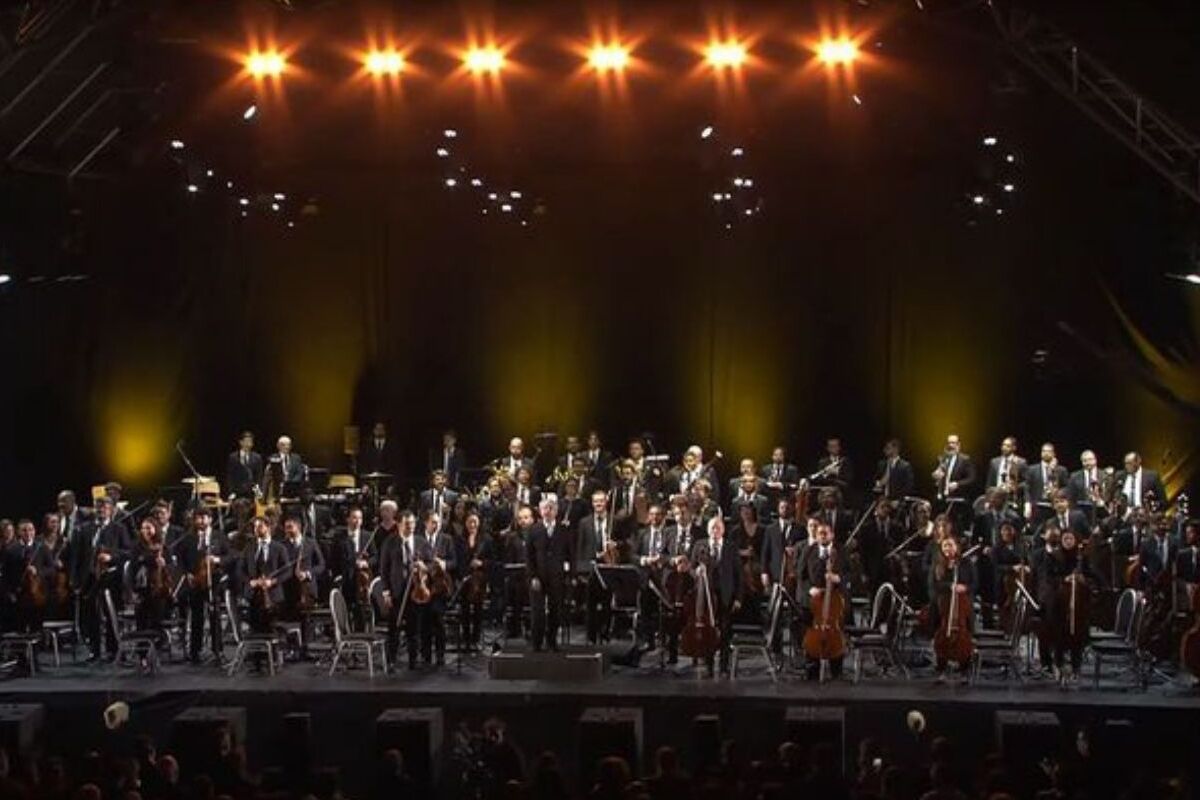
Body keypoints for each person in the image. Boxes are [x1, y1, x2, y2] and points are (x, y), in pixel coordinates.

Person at [689, 516, 741, 677]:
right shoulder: (700, 545)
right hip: (706, 596)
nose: (715, 531)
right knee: (709, 631)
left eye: (718, 528)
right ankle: (709, 666)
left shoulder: (731, 547)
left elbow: (738, 575)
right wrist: (696, 572)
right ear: (707, 530)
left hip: (725, 596)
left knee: (725, 631)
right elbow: (691, 568)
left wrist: (738, 598)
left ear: (723, 530)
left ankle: (724, 666)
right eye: (712, 528)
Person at [379, 510, 428, 669]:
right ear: (398, 524)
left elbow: (432, 563)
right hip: (396, 591)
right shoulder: (390, 542)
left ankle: (413, 662)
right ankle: (391, 660)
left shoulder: (421, 542)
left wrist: (424, 566)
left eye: (413, 523)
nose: (411, 527)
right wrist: (386, 591)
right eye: (407, 524)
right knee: (394, 628)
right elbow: (383, 569)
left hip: (416, 591)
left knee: (414, 629)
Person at [181, 506, 229, 665]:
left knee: (215, 617)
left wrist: (218, 560)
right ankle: (195, 652)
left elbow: (231, 555)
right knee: (196, 618)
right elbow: (180, 559)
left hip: (214, 581)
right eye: (198, 518)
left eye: (204, 517)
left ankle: (218, 651)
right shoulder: (188, 538)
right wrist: (186, 573)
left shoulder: (219, 536)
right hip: (195, 582)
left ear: (210, 519)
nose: (201, 521)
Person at [526, 496, 574, 652]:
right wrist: (533, 576)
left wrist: (570, 576)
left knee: (555, 610)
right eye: (545, 508)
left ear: (556, 511)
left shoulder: (564, 530)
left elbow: (570, 555)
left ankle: (552, 641)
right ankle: (536, 643)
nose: (548, 511)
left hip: (557, 577)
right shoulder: (534, 530)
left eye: (551, 508)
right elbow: (529, 556)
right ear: (540, 511)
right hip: (538, 577)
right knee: (537, 612)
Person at [802, 521, 847, 680]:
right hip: (814, 602)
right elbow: (801, 576)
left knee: (836, 632)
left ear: (832, 535)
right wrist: (810, 589)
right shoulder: (809, 550)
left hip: (835, 601)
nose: (822, 535)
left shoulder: (841, 550)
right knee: (811, 633)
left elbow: (851, 575)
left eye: (825, 533)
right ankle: (812, 671)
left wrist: (838, 578)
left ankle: (837, 672)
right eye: (819, 533)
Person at [930, 535, 975, 682]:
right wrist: (950, 586)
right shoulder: (938, 565)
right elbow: (935, 585)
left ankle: (964, 670)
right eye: (945, 546)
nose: (948, 549)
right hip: (944, 604)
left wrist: (965, 587)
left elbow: (975, 583)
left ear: (957, 546)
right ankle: (941, 669)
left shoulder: (966, 563)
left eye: (950, 545)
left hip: (963, 605)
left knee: (964, 635)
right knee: (942, 635)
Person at [280, 516, 324, 656]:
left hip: (306, 587)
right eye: (286, 527)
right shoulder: (282, 545)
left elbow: (321, 565)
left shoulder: (310, 543)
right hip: (289, 587)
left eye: (290, 527)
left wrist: (308, 573)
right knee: (290, 617)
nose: (288, 531)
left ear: (298, 527)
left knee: (307, 618)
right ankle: (292, 648)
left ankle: (306, 647)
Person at [329, 507, 376, 630]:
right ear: (348, 519)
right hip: (346, 578)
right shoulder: (339, 538)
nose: (357, 521)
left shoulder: (368, 536)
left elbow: (375, 557)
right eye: (354, 517)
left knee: (361, 608)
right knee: (346, 607)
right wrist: (337, 575)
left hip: (362, 579)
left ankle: (361, 633)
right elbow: (333, 559)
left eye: (360, 518)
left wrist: (366, 563)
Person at [459, 510, 494, 651]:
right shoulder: (459, 539)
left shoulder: (486, 539)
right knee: (465, 610)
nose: (472, 524)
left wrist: (481, 563)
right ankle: (466, 639)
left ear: (479, 522)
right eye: (469, 522)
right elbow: (457, 558)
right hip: (464, 578)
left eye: (475, 521)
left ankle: (476, 639)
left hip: (480, 579)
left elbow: (492, 560)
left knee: (478, 610)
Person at [225, 431, 263, 499]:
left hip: (251, 492)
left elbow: (259, 477)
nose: (248, 443)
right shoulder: (233, 457)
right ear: (241, 442)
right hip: (237, 492)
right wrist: (231, 492)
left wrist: (258, 492)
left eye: (250, 441)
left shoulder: (257, 457)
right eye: (246, 441)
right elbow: (230, 476)